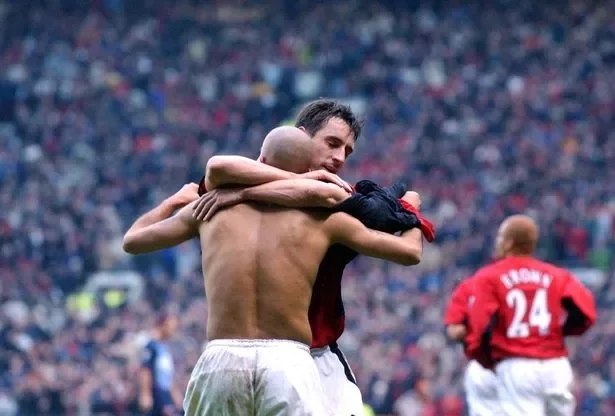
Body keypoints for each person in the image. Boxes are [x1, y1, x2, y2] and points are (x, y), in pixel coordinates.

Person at [123, 126, 425, 415]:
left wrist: (174, 200)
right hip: (288, 362)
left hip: (221, 360)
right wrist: (411, 206)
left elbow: (133, 241)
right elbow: (410, 253)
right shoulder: (326, 219)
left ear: (261, 162)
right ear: (307, 170)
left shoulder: (208, 211)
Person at [192, 99, 435, 416]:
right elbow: (219, 169)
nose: (339, 158)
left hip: (315, 358)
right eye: (332, 143)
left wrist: (244, 193)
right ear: (300, 137)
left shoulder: (342, 200)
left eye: (347, 151)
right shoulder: (236, 182)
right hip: (247, 357)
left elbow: (404, 230)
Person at [466, 215, 597, 416]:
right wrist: (561, 333)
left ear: (509, 242)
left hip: (518, 364)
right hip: (555, 367)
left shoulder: (489, 276)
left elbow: (478, 327)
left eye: (500, 238)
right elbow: (586, 312)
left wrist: (486, 358)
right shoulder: (556, 274)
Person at [443, 277, 501, 416]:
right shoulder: (528, 280)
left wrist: (473, 325)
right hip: (518, 362)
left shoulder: (471, 286)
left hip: (486, 365)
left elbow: (454, 331)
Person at [139, 310, 182, 416]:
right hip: (156, 395)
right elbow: (145, 370)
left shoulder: (164, 348)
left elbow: (168, 376)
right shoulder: (151, 346)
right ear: (163, 325)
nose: (174, 330)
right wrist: (145, 393)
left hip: (165, 395)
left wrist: (176, 395)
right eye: (172, 327)